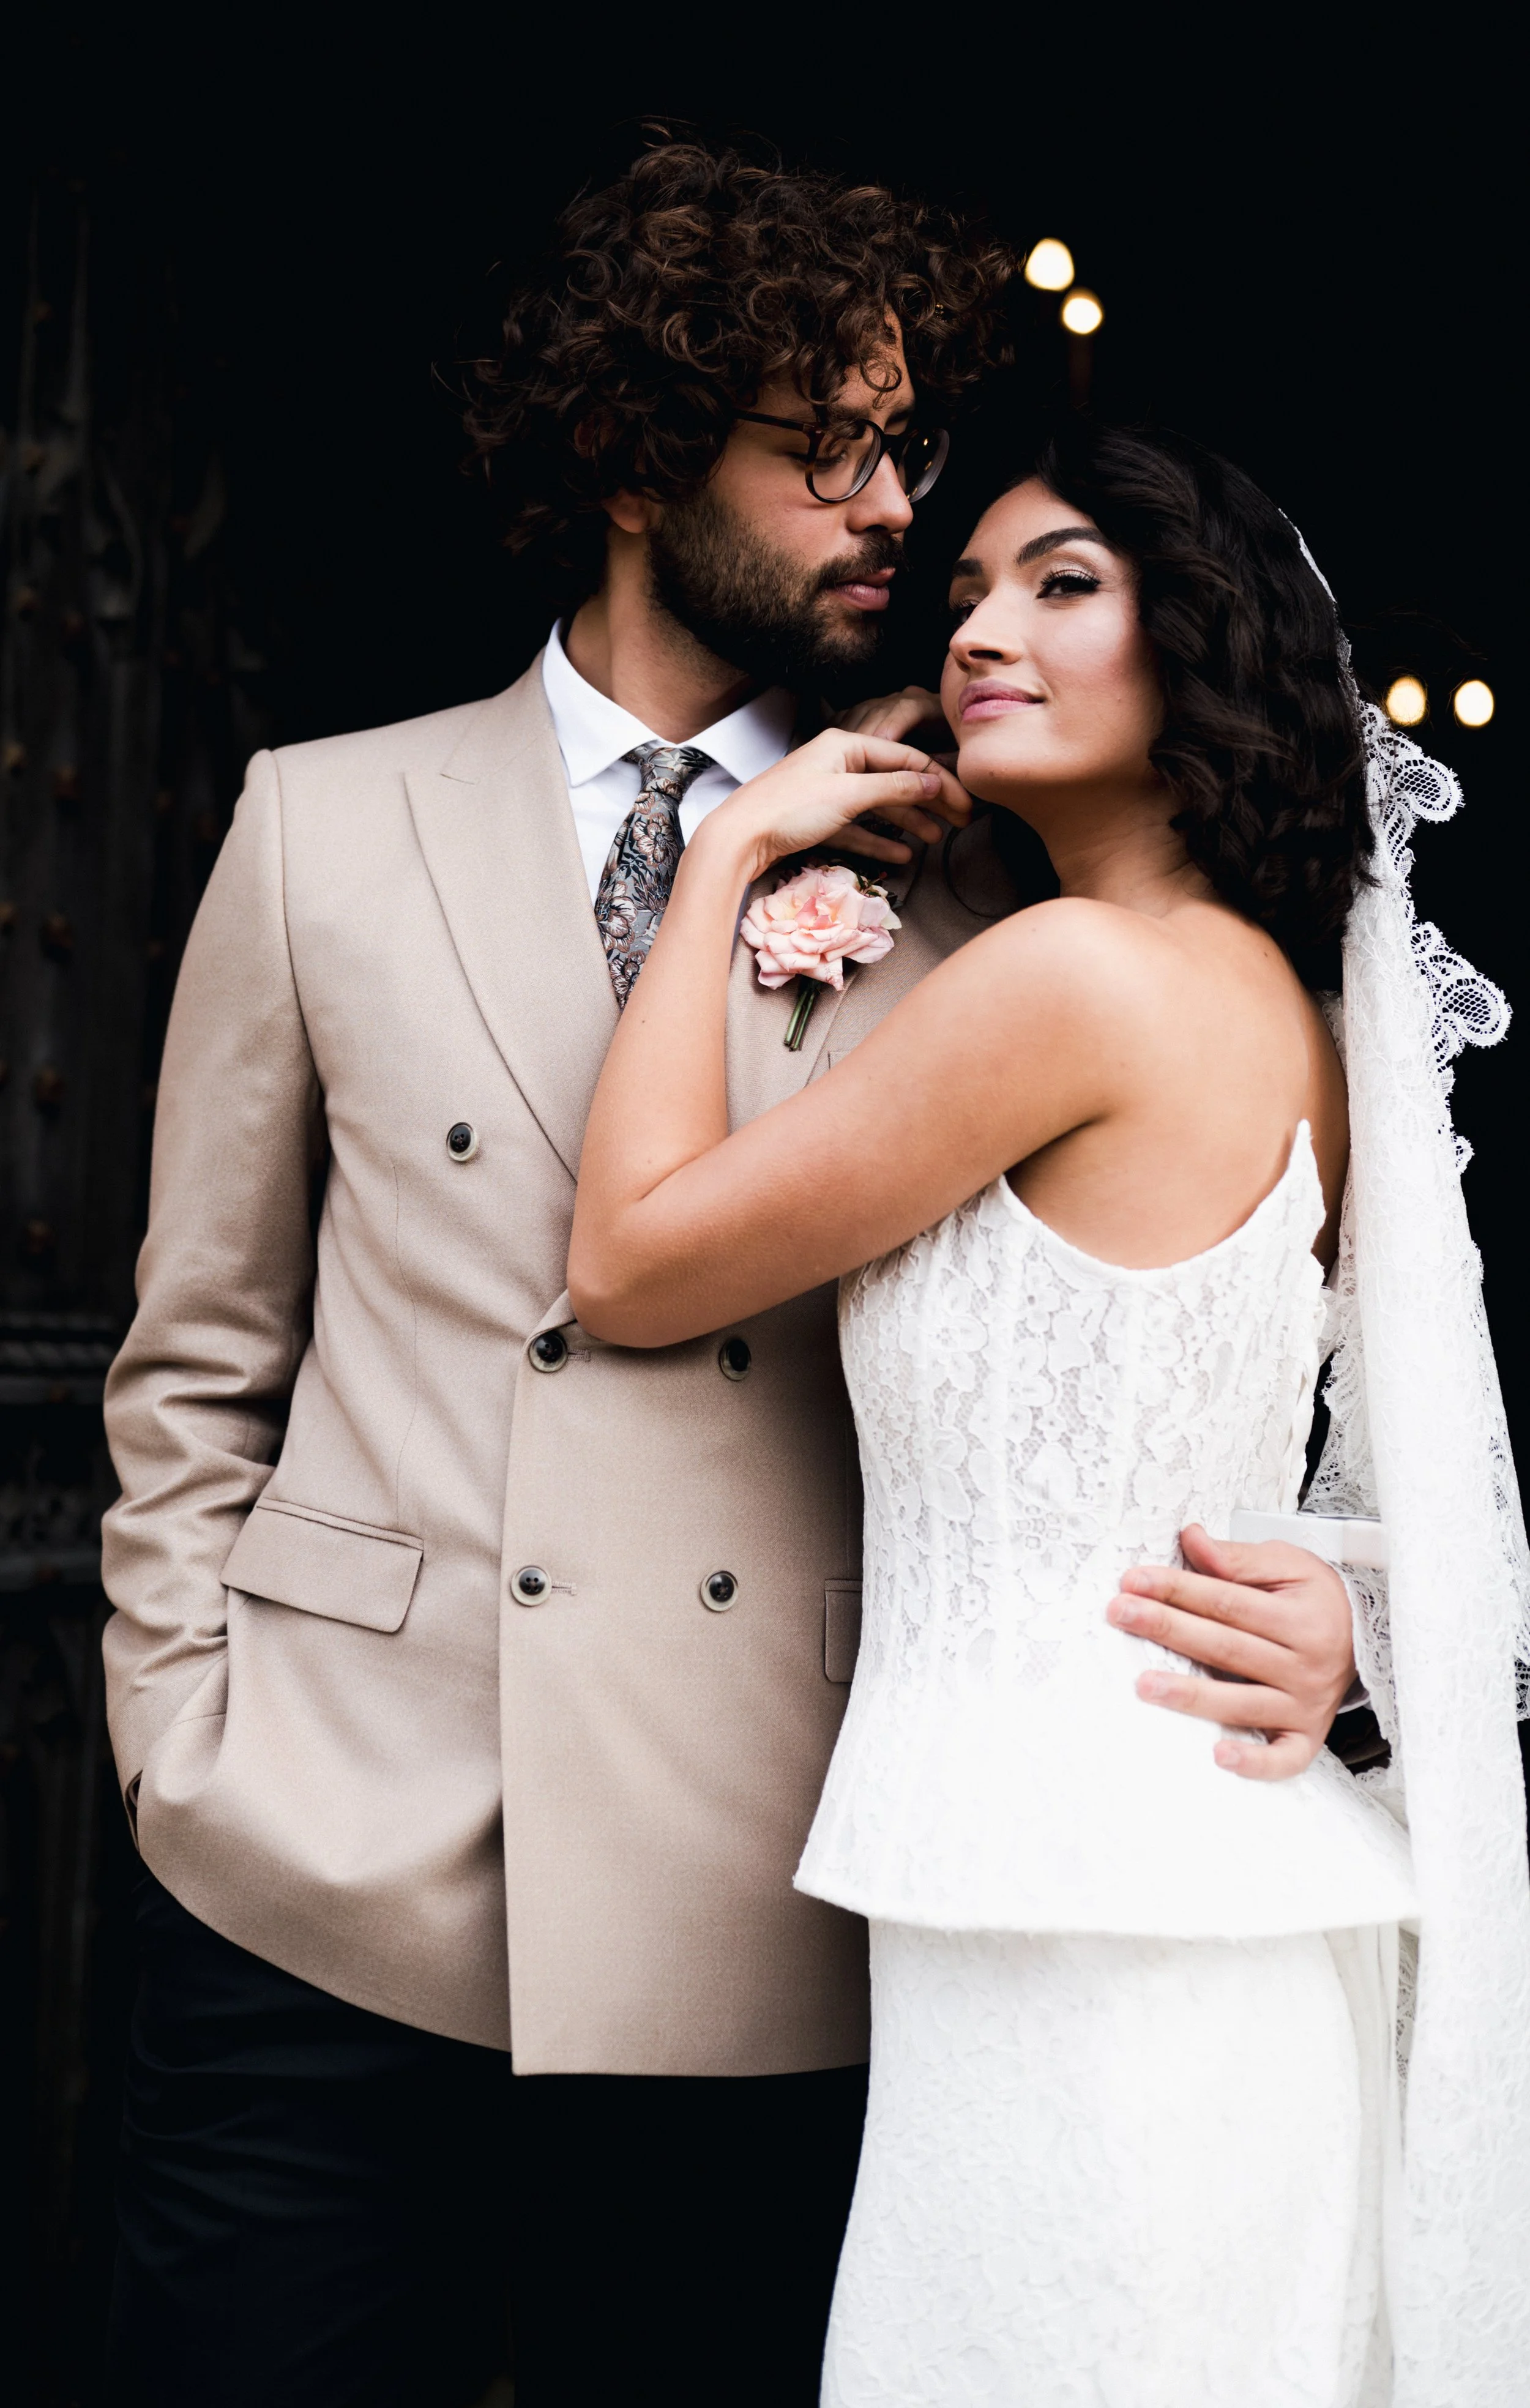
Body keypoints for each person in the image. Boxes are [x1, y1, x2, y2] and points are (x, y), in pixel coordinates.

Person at [100, 137, 1368, 2408]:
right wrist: (180, 1750)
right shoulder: (320, 819)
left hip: (766, 1907)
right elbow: (196, 1358)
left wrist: (1354, 1596)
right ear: (627, 453)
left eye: (911, 448)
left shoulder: (1006, 882)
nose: (897, 512)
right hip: (312, 1872)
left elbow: (1254, 1334)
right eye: (832, 454)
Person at [568, 420, 1530, 2403]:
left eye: (1062, 582)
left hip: (1084, 1943)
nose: (982, 627)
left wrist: (731, 846)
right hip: (1157, 1907)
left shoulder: (1069, 982)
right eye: (973, 588)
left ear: (1201, 642)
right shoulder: (1269, 1000)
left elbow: (632, 1264)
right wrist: (1355, 1593)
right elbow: (1239, 1435)